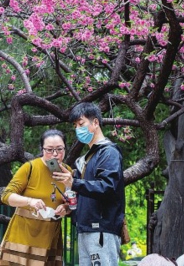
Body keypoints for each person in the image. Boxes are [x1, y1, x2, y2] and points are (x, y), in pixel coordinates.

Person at [54, 102, 125, 266]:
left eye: (81, 124)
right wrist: (68, 197)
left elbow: (108, 187)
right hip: (84, 228)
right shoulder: (84, 159)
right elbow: (81, 193)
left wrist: (75, 183)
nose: (78, 129)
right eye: (75, 125)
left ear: (95, 123)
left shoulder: (109, 152)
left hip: (102, 230)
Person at [0, 129, 72, 266]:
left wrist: (65, 208)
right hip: (23, 237)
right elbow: (6, 196)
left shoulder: (68, 172)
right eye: (49, 150)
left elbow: (72, 202)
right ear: (42, 149)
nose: (55, 154)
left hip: (49, 238)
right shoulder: (30, 168)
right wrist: (30, 201)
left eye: (59, 149)